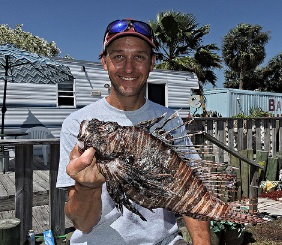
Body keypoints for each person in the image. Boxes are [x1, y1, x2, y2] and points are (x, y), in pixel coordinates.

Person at [56, 19, 211, 245]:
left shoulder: (170, 121)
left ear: (152, 62)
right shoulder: (78, 124)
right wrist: (87, 186)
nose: (128, 67)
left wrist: (202, 242)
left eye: (139, 56)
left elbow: (192, 192)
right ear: (104, 62)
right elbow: (83, 224)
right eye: (118, 56)